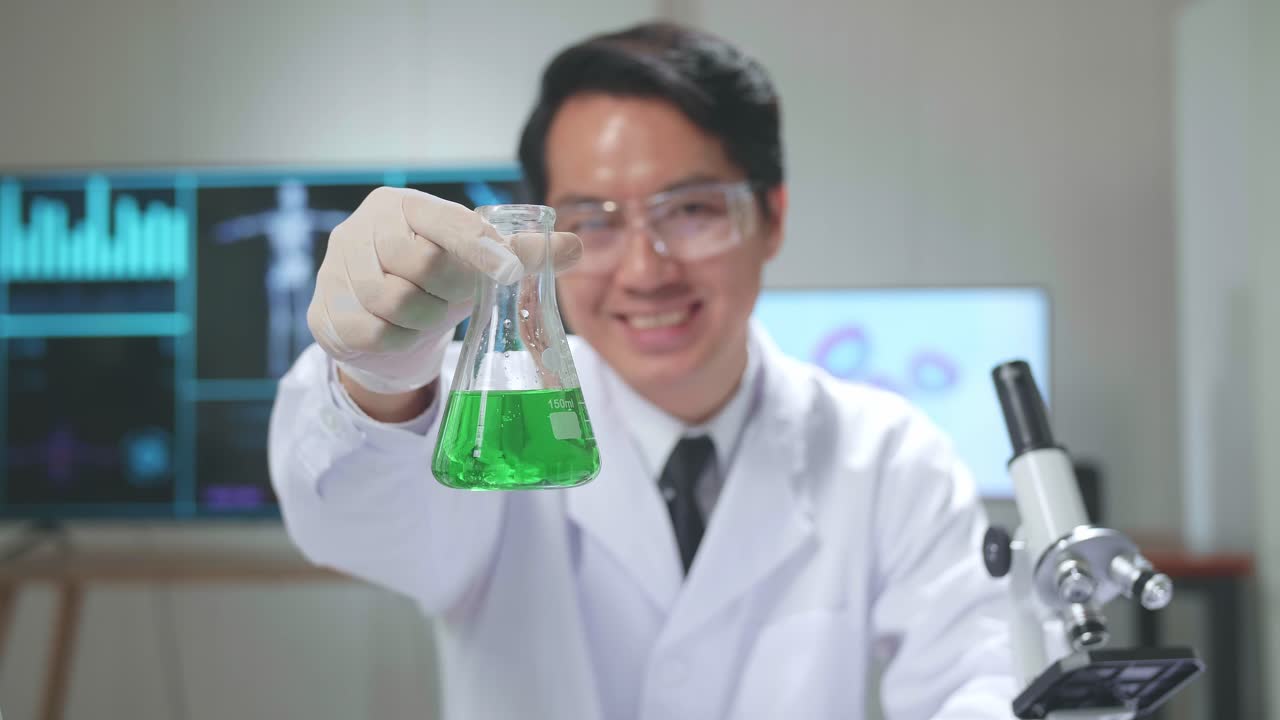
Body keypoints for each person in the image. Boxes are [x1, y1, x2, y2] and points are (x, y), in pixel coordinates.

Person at [269, 22, 1016, 720]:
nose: (644, 269)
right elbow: (356, 522)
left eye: (690, 210)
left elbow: (981, 676)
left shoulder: (889, 458)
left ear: (773, 216)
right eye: (591, 220)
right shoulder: (498, 440)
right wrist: (383, 379)